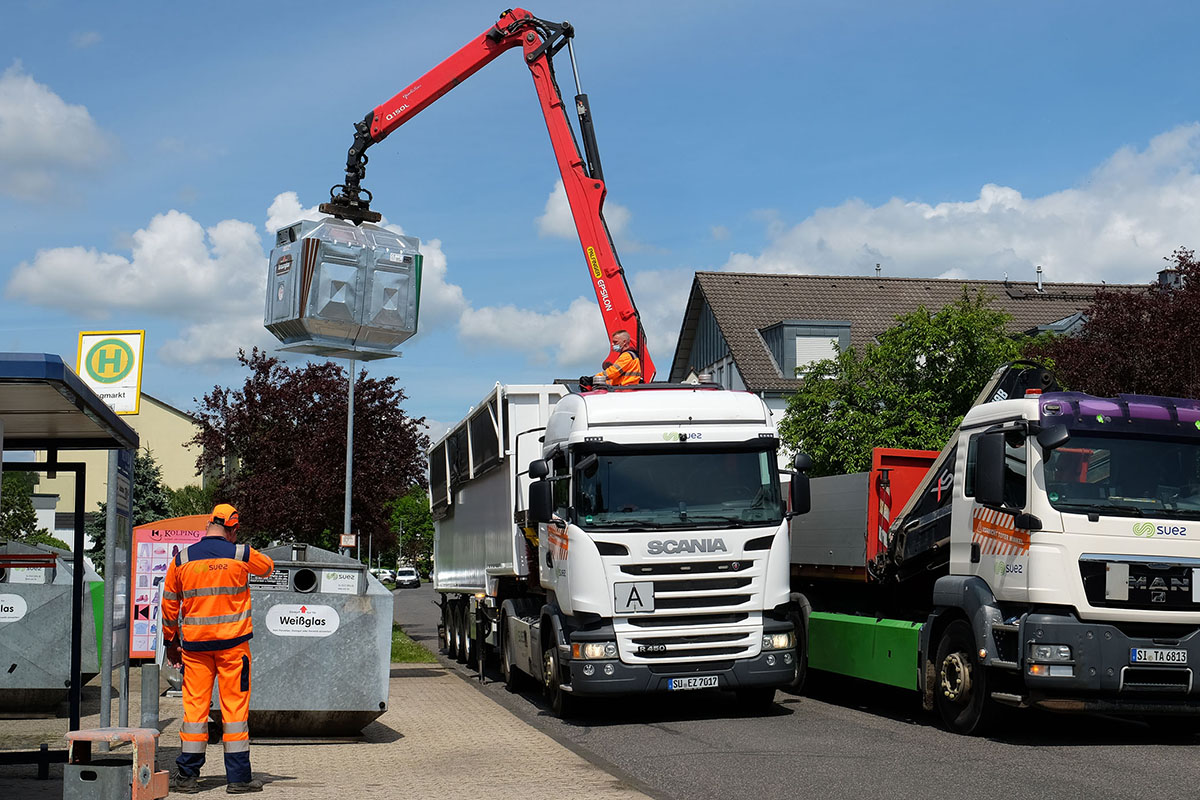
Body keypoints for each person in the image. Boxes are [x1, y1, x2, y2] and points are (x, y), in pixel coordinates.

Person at [162, 503, 274, 794]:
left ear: (208, 525)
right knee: (234, 711)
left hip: (195, 648)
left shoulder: (182, 559)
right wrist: (243, 551)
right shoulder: (241, 554)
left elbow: (170, 604)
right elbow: (268, 568)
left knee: (194, 711)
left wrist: (170, 641)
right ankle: (238, 779)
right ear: (233, 528)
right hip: (233, 648)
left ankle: (187, 777)